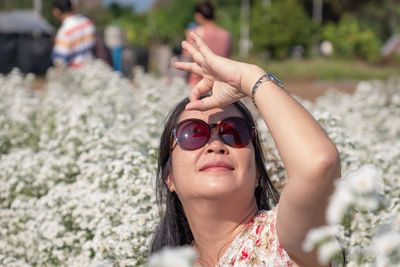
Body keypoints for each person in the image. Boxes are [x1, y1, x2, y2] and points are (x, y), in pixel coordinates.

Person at [150, 32, 341, 267]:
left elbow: (319, 164)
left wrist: (249, 78)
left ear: (258, 173)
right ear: (169, 177)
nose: (216, 145)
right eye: (193, 133)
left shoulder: (283, 240)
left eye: (234, 132)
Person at [184, 0, 231, 87]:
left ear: (199, 16)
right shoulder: (226, 35)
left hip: (197, 86)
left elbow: (186, 58)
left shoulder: (194, 33)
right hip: (220, 86)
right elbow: (228, 59)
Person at [51, 0, 95, 68]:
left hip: (75, 72)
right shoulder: (87, 22)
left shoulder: (64, 32)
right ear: (73, 7)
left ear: (56, 11)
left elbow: (60, 60)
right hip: (92, 67)